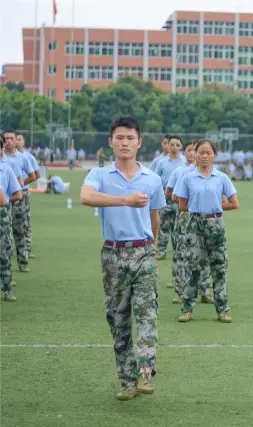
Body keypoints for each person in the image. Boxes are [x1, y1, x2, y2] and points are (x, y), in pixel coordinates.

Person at [79, 115, 165, 400]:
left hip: (143, 252)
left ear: (139, 143)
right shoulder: (100, 175)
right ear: (111, 142)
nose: (125, 143)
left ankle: (145, 373)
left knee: (146, 312)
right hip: (113, 254)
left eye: (130, 138)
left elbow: (155, 218)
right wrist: (125, 200)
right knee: (118, 318)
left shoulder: (152, 178)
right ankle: (127, 380)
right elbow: (86, 197)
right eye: (120, 138)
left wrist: (150, 245)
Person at [173, 139, 238, 323]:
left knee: (219, 268)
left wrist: (215, 207)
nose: (204, 156)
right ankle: (187, 308)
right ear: (195, 154)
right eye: (201, 152)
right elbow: (182, 205)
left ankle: (222, 310)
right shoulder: (187, 178)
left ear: (214, 155)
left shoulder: (222, 178)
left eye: (208, 152)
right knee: (193, 267)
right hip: (194, 223)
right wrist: (200, 209)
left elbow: (234, 203)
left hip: (216, 224)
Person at [165, 141, 213, 305]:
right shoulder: (184, 174)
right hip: (186, 216)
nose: (193, 153)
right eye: (191, 150)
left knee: (205, 253)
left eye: (196, 150)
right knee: (183, 254)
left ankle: (205, 291)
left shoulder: (213, 173)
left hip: (206, 217)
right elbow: (174, 195)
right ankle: (180, 291)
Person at [2, 130, 36, 273]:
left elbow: (31, 176)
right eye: (6, 139)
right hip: (3, 202)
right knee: (5, 235)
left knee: (19, 229)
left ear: (16, 140)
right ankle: (6, 268)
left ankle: (22, 261)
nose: (9, 141)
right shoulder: (2, 158)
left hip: (16, 199)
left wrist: (13, 189)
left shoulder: (20, 159)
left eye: (12, 138)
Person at [154, 136, 186, 260]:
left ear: (181, 147)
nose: (174, 147)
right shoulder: (162, 162)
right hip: (165, 197)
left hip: (179, 198)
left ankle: (177, 250)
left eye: (177, 145)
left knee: (178, 225)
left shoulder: (184, 162)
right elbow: (156, 178)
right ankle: (161, 250)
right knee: (163, 224)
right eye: (172, 144)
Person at [1, 134, 23, 302]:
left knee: (4, 252)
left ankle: (7, 289)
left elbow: (17, 194)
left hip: (2, 216)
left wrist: (6, 199)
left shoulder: (6, 169)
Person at [15, 132, 40, 260]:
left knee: (25, 221)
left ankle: (27, 247)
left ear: (23, 142)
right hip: (11, 193)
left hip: (23, 192)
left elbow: (36, 175)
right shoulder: (9, 157)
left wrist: (20, 184)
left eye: (20, 139)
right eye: (16, 139)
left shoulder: (28, 157)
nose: (17, 142)